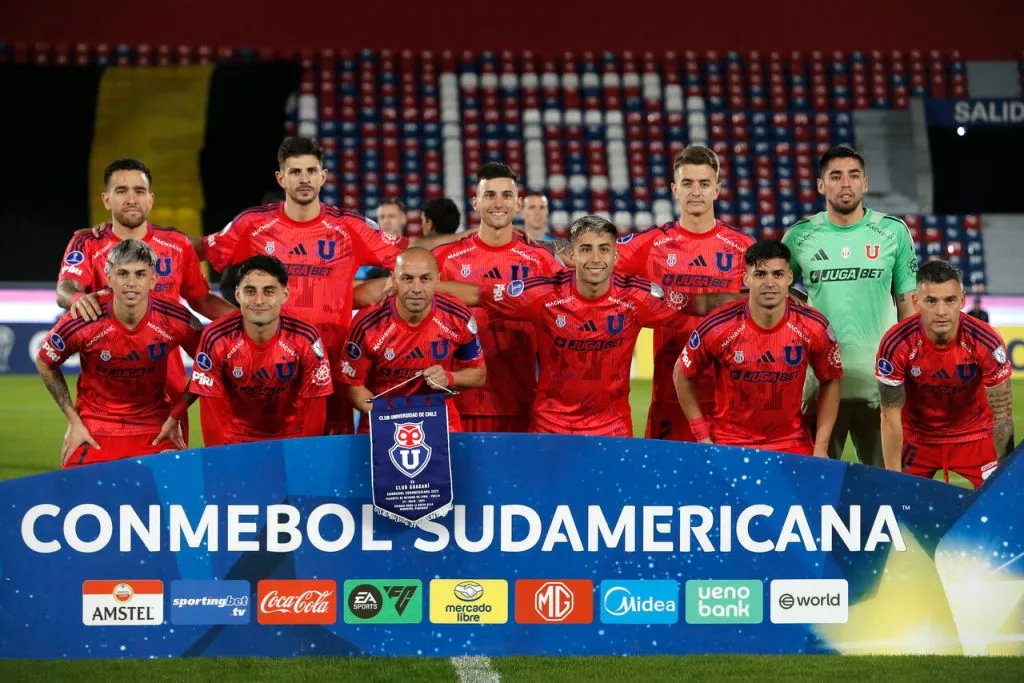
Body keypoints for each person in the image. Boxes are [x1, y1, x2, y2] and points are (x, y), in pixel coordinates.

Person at [200, 137, 462, 434]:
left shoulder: (347, 227)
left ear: (323, 176)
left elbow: (411, 250)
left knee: (330, 464)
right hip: (270, 370)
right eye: (295, 172)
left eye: (311, 171)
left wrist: (470, 236)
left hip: (333, 365)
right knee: (269, 456)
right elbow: (201, 251)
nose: (304, 179)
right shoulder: (253, 224)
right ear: (280, 178)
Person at [465, 215, 698, 436]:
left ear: (616, 256)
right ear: (572, 255)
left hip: (613, 430)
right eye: (586, 249)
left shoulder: (636, 297)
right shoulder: (544, 294)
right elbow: (477, 294)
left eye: (604, 249)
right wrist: (429, 290)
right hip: (550, 428)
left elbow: (699, 304)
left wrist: (735, 303)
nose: (595, 258)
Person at [57, 159, 234, 444]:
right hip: (105, 396)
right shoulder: (88, 243)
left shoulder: (176, 244)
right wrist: (78, 298)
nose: (131, 199)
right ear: (106, 199)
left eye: (139, 191)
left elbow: (202, 300)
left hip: (168, 389)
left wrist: (246, 323)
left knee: (167, 484)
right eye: (122, 191)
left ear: (150, 199)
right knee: (104, 483)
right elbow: (65, 288)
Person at [781, 145, 918, 467]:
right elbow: (775, 292)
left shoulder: (892, 232)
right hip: (820, 389)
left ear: (865, 183)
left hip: (882, 389)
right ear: (820, 185)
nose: (846, 184)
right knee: (816, 493)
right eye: (836, 176)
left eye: (854, 176)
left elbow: (908, 308)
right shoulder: (800, 236)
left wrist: (908, 370)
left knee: (886, 491)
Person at [616, 145, 754, 441]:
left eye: (704, 183)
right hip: (670, 396)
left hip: (729, 398)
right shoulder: (652, 244)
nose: (696, 191)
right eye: (688, 183)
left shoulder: (743, 248)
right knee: (668, 487)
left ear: (717, 190)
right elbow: (590, 258)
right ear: (674, 189)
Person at [36, 239, 202, 467]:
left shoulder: (175, 319)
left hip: (155, 428)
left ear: (153, 279)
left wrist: (176, 415)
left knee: (176, 495)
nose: (131, 283)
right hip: (94, 429)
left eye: (140, 274)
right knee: (78, 499)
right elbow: (45, 362)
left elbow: (210, 363)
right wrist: (73, 422)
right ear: (109, 277)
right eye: (123, 274)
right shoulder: (84, 320)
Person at [674, 240, 843, 455]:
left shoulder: (814, 327)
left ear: (790, 278)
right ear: (746, 278)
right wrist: (702, 436)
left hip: (792, 444)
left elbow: (831, 379)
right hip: (729, 444)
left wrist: (820, 447)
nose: (769, 283)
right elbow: (682, 372)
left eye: (778, 274)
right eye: (760, 274)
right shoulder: (719, 326)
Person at [433, 163, 564, 433]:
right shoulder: (444, 259)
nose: (498, 203)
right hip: (457, 406)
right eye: (490, 194)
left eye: (506, 195)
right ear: (475, 202)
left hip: (520, 403)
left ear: (518, 204)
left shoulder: (541, 261)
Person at [158, 255, 333, 446]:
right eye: (250, 291)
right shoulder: (216, 337)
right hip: (236, 439)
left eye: (268, 291)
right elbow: (210, 410)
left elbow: (316, 405)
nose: (258, 300)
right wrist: (217, 458)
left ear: (284, 295)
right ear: (238, 294)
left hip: (292, 438)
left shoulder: (305, 338)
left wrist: (306, 454)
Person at [876, 260, 1013, 488]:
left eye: (949, 300)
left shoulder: (986, 341)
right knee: (901, 512)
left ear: (962, 300)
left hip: (975, 437)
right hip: (917, 439)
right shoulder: (896, 343)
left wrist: (1006, 479)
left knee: (1003, 508)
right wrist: (893, 480)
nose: (941, 312)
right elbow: (889, 417)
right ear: (915, 301)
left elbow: (1003, 416)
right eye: (931, 301)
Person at [340, 248, 486, 431]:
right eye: (407, 278)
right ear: (394, 280)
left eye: (425, 279)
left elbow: (478, 374)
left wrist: (450, 377)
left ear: (437, 280)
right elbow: (352, 385)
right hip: (380, 420)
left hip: (440, 423)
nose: (416, 289)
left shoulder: (458, 317)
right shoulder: (367, 324)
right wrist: (386, 415)